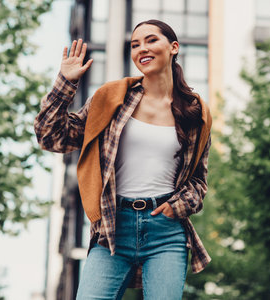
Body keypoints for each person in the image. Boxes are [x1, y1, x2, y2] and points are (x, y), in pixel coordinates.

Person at [34, 19, 212, 300]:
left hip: (165, 231)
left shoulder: (195, 112)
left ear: (173, 47)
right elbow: (52, 138)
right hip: (113, 227)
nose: (142, 48)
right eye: (135, 44)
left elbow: (198, 182)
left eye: (151, 40)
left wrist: (175, 207)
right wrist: (65, 83)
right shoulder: (110, 98)